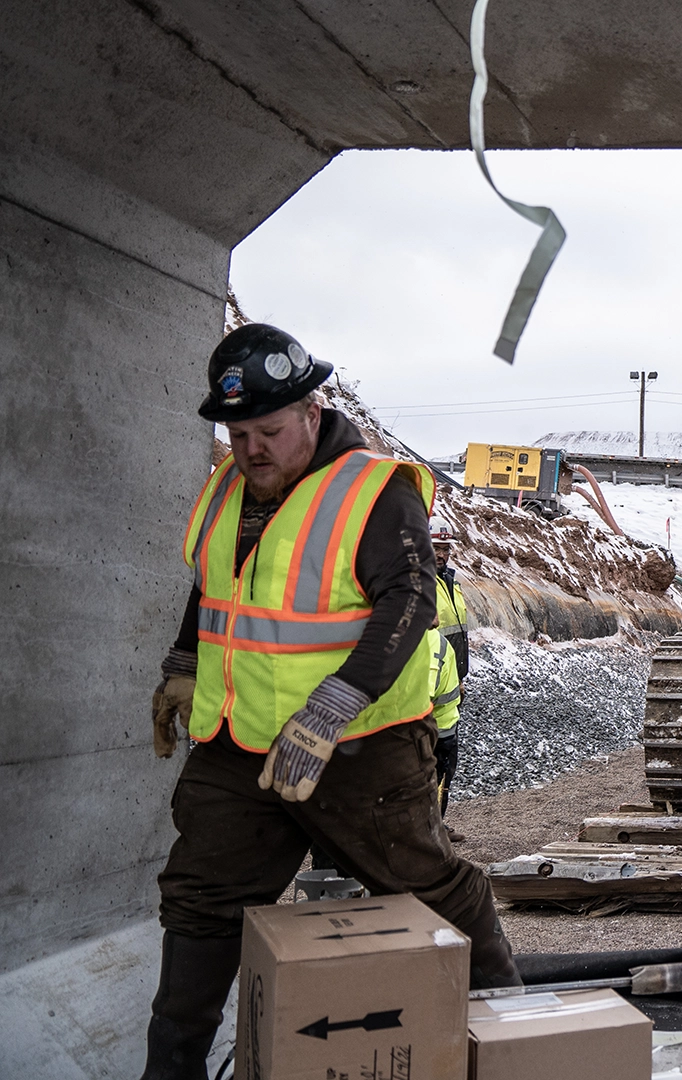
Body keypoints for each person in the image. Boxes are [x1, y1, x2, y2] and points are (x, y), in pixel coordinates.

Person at [143, 324, 520, 1080]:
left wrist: (330, 709)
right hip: (239, 746)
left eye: (269, 432)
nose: (251, 449)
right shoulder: (227, 487)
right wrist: (184, 662)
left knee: (425, 888)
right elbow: (215, 586)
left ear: (312, 411)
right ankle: (170, 1071)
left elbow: (410, 601)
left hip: (361, 750)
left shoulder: (374, 491)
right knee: (199, 901)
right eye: (237, 432)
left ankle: (517, 1039)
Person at [427, 625, 466, 841]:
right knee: (438, 780)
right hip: (439, 728)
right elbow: (425, 693)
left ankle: (434, 828)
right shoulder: (434, 642)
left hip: (436, 725)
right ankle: (432, 833)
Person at [430, 516, 471, 680]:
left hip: (450, 676)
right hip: (429, 677)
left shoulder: (450, 582)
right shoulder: (415, 582)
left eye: (446, 549)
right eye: (435, 548)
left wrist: (458, 678)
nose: (441, 555)